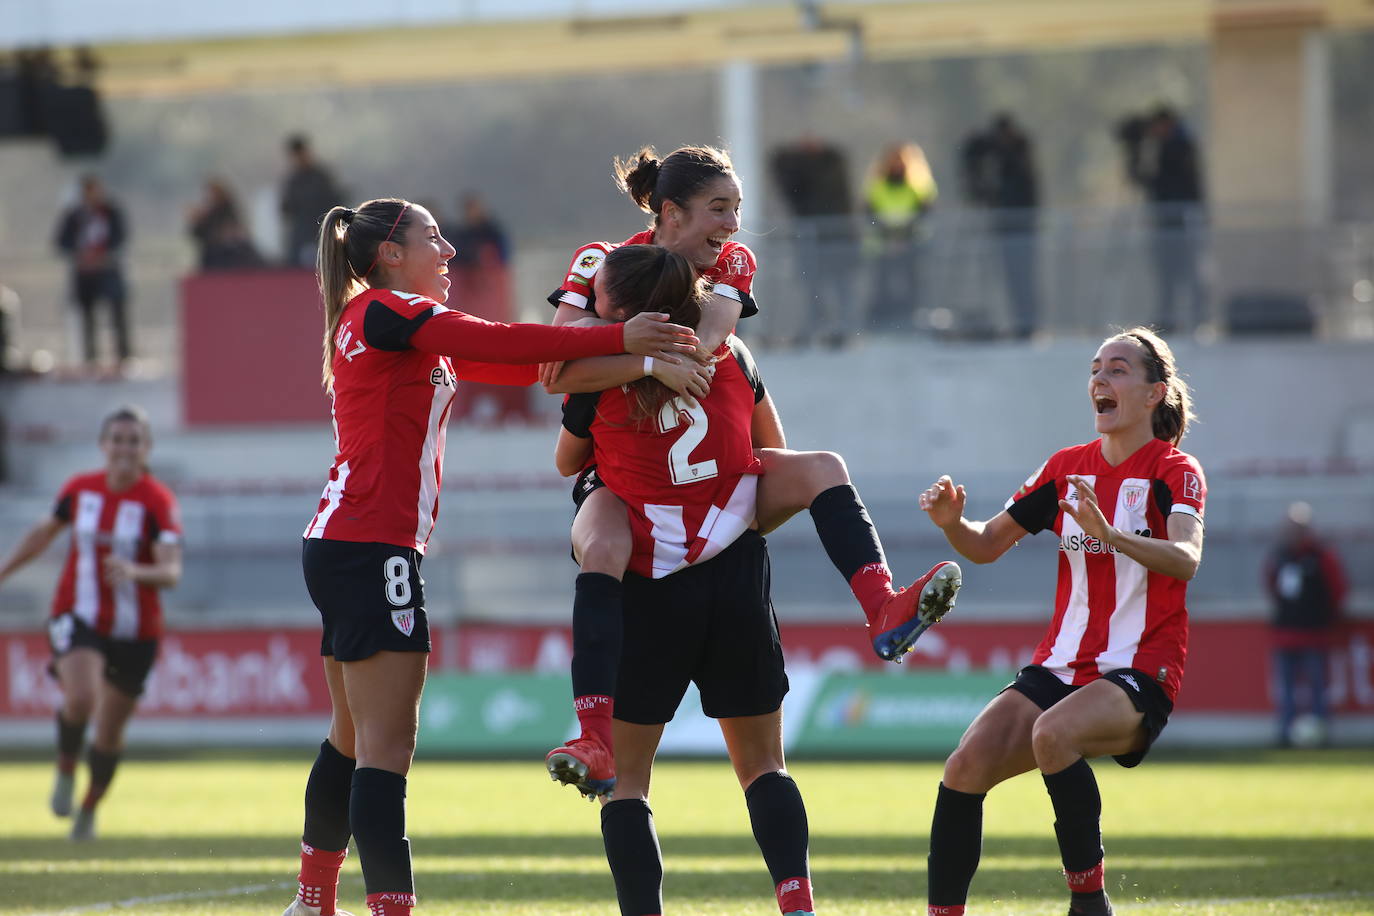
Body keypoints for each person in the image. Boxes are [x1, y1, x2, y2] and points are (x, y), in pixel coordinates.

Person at [280, 197, 698, 916]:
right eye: (433, 239)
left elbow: (526, 367)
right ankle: (385, 908)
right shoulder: (390, 311)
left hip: (345, 542)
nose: (449, 252)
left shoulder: (382, 322)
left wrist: (628, 358)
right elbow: (507, 343)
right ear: (390, 255)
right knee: (387, 747)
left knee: (351, 736)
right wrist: (622, 336)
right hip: (372, 546)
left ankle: (314, 901)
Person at [541, 145, 962, 800]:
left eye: (736, 208)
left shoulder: (732, 264)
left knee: (820, 466)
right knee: (599, 545)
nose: (734, 226)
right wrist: (649, 364)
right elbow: (557, 369)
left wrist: (628, 347)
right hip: (621, 475)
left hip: (709, 468)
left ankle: (883, 607)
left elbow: (706, 347)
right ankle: (592, 732)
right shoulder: (602, 262)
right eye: (719, 209)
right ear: (671, 213)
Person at [553, 244, 818, 916]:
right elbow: (770, 451)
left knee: (628, 783)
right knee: (764, 767)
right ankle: (799, 904)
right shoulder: (735, 356)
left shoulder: (598, 378)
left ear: (621, 310)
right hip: (732, 572)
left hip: (644, 580)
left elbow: (566, 461)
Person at [918, 326, 1204, 916]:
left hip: (1140, 669)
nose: (1101, 378)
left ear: (1155, 394)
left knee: (1053, 734)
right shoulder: (1065, 469)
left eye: (1119, 369)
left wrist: (1111, 535)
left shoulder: (1175, 470)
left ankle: (1089, 904)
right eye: (1097, 368)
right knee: (964, 768)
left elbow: (1187, 557)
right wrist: (951, 524)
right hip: (1060, 665)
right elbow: (986, 545)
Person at [0, 405, 182, 842]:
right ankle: (65, 767)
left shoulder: (157, 501)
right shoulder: (80, 490)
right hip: (76, 614)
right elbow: (44, 532)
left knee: (109, 733)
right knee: (81, 695)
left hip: (136, 631)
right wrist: (4, 570)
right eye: (117, 439)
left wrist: (136, 572)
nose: (124, 448)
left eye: (133, 440)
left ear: (145, 449)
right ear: (104, 445)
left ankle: (88, 807)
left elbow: (171, 572)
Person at [1264, 501, 1347, 748]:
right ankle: (1285, 734)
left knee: (1318, 688)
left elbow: (1337, 588)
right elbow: (1271, 585)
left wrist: (1325, 615)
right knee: (1286, 690)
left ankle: (1321, 735)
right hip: (1285, 633)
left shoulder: (1321, 555)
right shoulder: (1279, 555)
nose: (1293, 532)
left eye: (1298, 527)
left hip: (1314, 633)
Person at [770, 134, 856, 347]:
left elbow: (826, 179)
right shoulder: (796, 175)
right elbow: (778, 163)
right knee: (812, 286)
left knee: (839, 285)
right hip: (811, 238)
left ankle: (840, 328)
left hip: (836, 237)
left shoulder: (830, 166)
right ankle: (817, 325)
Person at [960, 114, 1040, 338]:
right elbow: (974, 160)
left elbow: (1020, 185)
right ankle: (1013, 322)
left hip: (1021, 229)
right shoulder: (996, 151)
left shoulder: (1020, 152)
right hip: (1002, 226)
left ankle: (1027, 324)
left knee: (1023, 277)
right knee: (1004, 277)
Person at [54, 174, 131, 367]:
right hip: (85, 272)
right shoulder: (74, 215)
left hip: (107, 269)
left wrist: (104, 255)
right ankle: (91, 358)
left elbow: (121, 237)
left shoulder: (111, 212)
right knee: (87, 316)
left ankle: (123, 356)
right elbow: (62, 241)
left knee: (117, 312)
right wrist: (80, 255)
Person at [863, 142, 937, 333]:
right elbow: (869, 214)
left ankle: (912, 322)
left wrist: (904, 237)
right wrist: (890, 237)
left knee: (914, 284)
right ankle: (881, 325)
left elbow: (925, 212)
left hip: (912, 244)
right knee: (882, 286)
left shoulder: (919, 186)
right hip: (883, 246)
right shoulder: (877, 186)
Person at [280, 135, 344, 268]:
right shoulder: (293, 181)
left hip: (322, 228)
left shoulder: (321, 177)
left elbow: (334, 201)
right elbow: (286, 208)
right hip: (301, 232)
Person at [187, 177, 264, 271]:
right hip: (213, 257)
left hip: (227, 256)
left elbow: (234, 232)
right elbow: (197, 234)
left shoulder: (226, 212)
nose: (209, 198)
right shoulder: (206, 214)